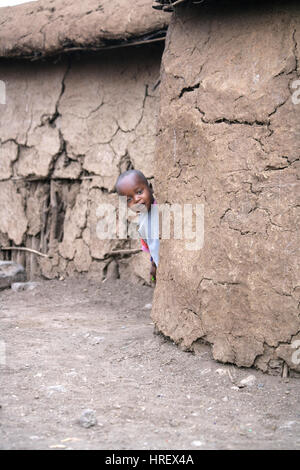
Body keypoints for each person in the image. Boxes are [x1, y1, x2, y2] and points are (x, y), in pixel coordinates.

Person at [115, 170, 159, 283]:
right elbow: (151, 247)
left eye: (139, 192)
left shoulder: (161, 209)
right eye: (129, 199)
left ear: (150, 188)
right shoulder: (142, 223)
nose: (136, 200)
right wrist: (154, 266)